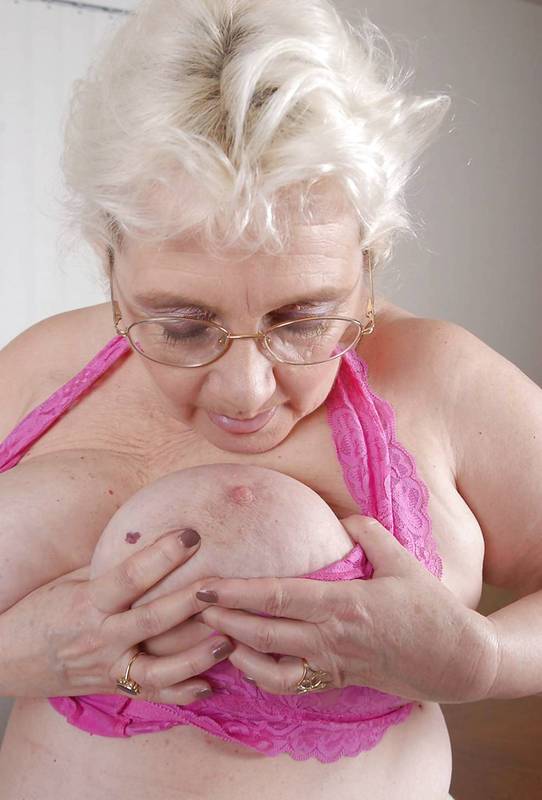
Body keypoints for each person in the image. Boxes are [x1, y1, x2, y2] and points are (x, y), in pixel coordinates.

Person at [0, 0, 540, 798]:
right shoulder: (36, 368)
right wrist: (16, 655)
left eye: (303, 320)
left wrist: (482, 661)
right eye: (183, 326)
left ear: (368, 261)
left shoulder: (443, 381)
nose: (246, 391)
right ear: (109, 258)